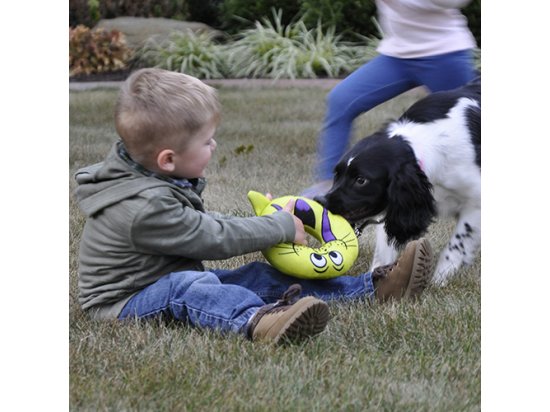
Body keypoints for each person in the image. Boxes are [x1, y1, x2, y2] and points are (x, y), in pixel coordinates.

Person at [74, 68, 435, 344]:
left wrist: (263, 222)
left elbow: (198, 223)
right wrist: (277, 226)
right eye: (206, 141)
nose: (214, 146)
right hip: (124, 304)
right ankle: (259, 321)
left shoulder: (151, 178)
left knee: (254, 276)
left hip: (158, 280)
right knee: (188, 287)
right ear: (167, 159)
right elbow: (209, 237)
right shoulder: (142, 205)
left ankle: (370, 290)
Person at [301, 0, 479, 198]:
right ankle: (327, 184)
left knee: (476, 125)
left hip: (444, 54)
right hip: (397, 57)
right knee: (341, 100)